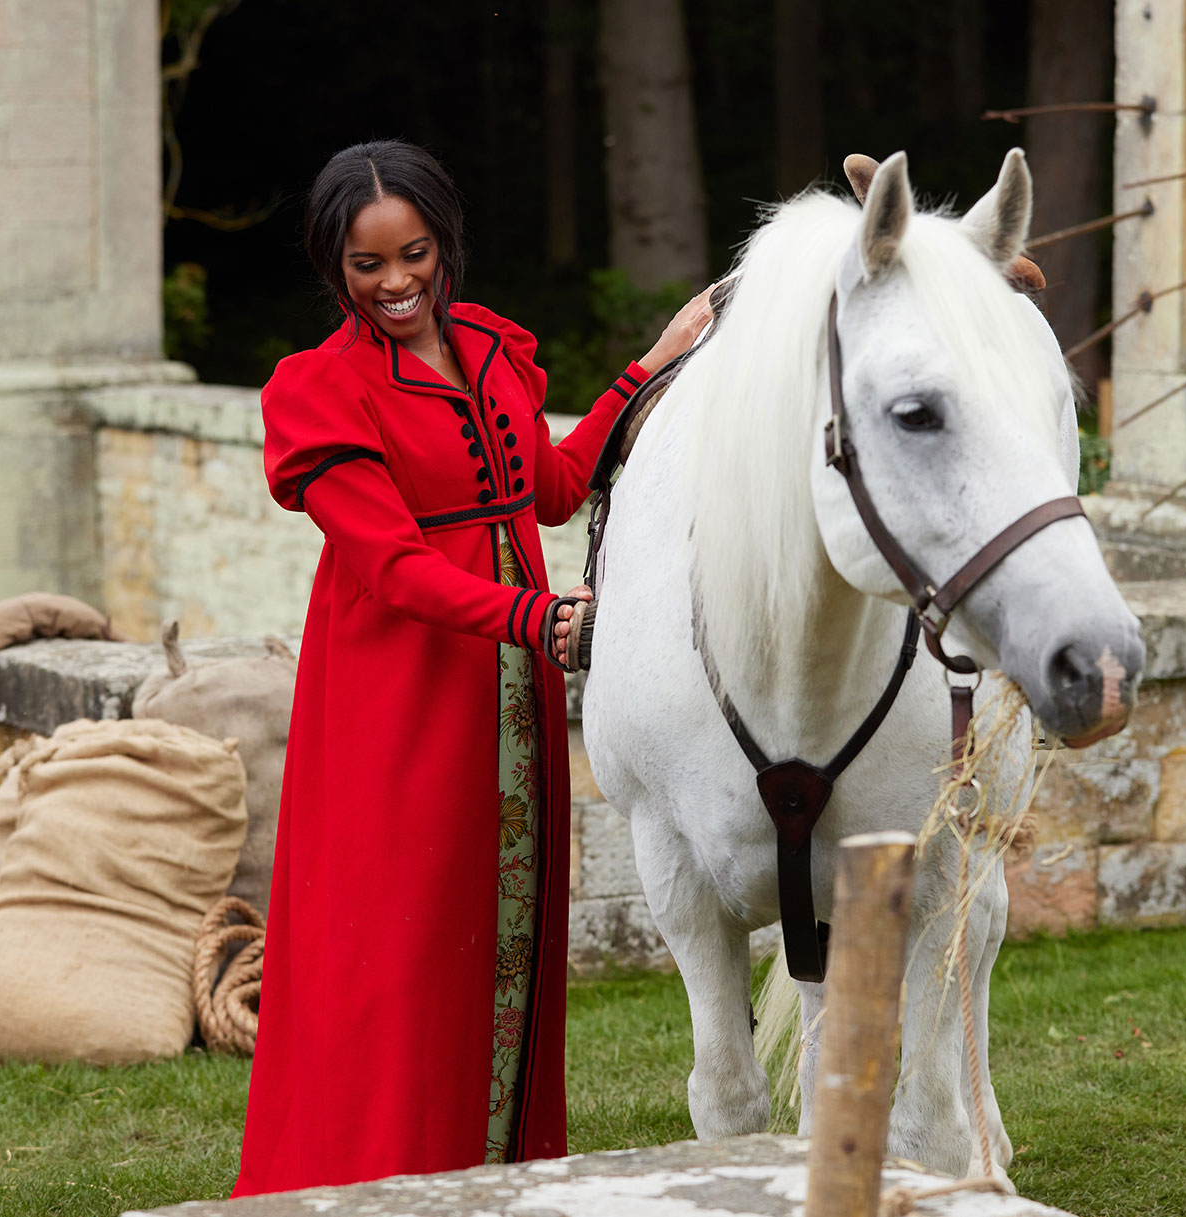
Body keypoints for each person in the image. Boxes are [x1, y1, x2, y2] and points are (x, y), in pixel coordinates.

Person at [233, 139, 712, 1194]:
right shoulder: (318, 390)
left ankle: (495, 1174)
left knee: (503, 934)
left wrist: (654, 361)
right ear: (333, 267)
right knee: (393, 951)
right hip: (396, 694)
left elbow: (548, 488)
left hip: (514, 693)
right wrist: (536, 616)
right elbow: (395, 571)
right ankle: (375, 1180)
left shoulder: (492, 348)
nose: (398, 282)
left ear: (445, 243)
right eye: (368, 266)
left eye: (415, 254)